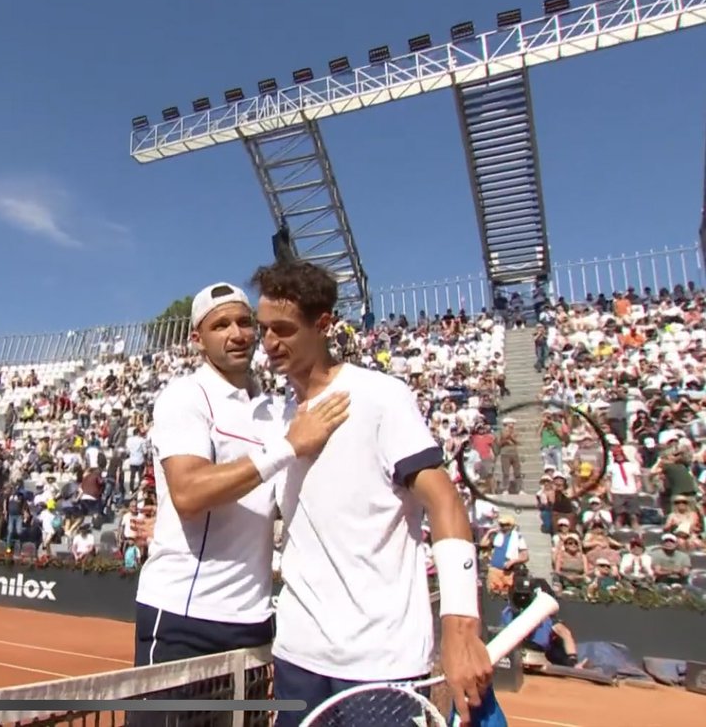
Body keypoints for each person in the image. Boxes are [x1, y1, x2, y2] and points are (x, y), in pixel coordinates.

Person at [247, 260, 494, 726]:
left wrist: (461, 628)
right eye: (264, 330)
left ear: (322, 325)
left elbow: (444, 502)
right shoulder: (273, 417)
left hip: (381, 664)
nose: (269, 343)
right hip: (298, 654)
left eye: (283, 329)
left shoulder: (381, 396)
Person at [133, 281, 348, 667]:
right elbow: (188, 493)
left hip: (255, 620)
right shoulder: (185, 396)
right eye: (221, 326)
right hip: (185, 616)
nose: (237, 335)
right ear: (198, 339)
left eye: (244, 322)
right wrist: (287, 446)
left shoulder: (276, 409)